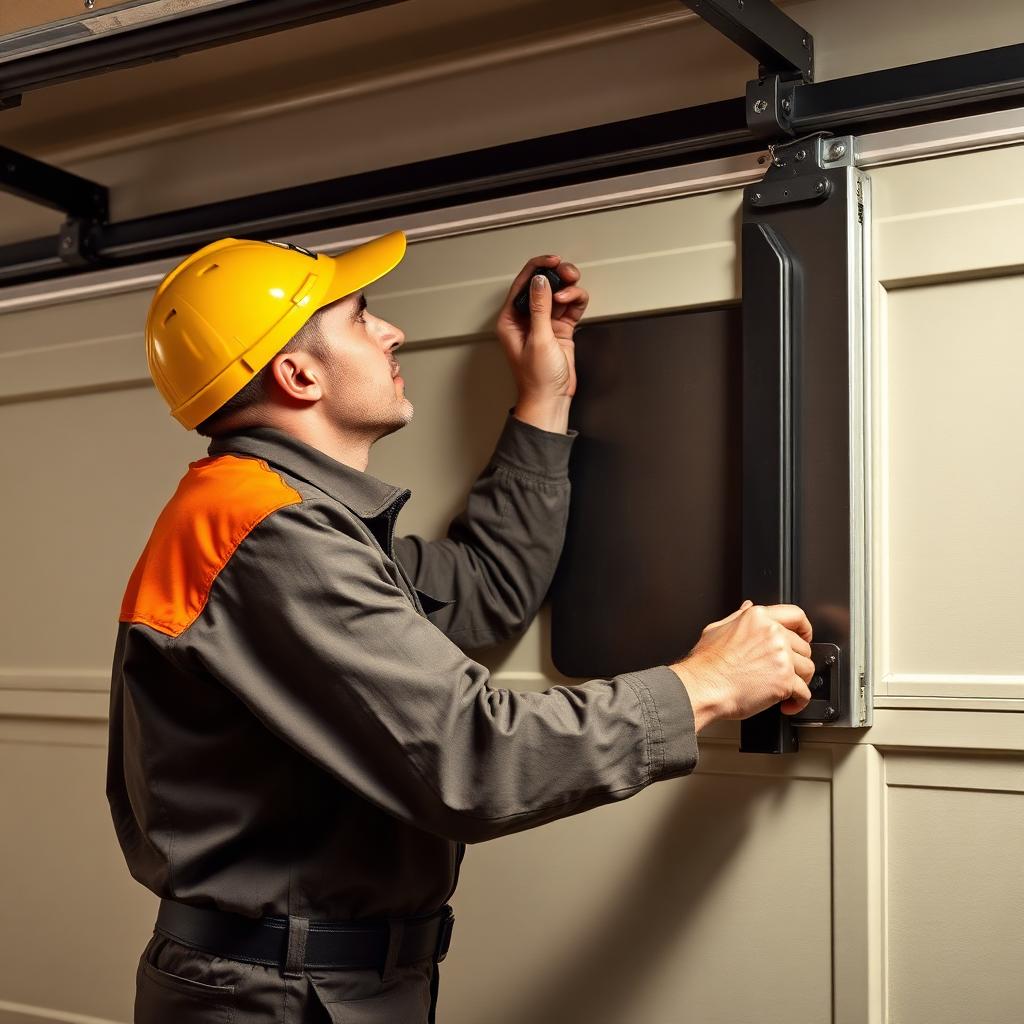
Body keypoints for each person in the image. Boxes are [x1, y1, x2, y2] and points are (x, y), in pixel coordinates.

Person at [107, 229, 815, 1024]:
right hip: (279, 996)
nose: (392, 332)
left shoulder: (287, 519)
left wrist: (544, 397)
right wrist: (705, 684)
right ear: (298, 373)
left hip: (315, 983)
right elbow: (474, 755)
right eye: (361, 316)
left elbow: (482, 589)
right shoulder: (268, 536)